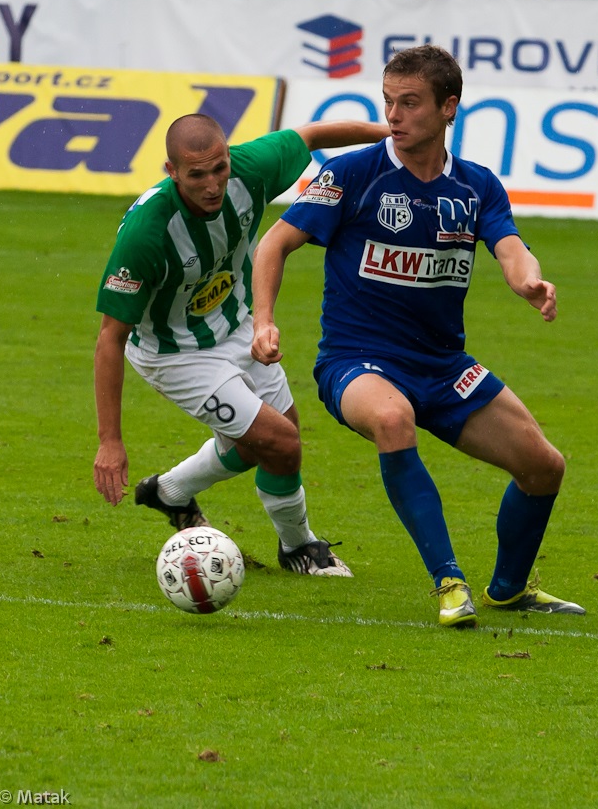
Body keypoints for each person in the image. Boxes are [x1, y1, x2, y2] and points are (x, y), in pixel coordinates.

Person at [251, 45, 585, 625]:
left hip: (443, 367)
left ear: (448, 107)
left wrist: (530, 282)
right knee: (392, 419)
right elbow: (273, 244)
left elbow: (510, 248)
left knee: (544, 467)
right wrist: (263, 320)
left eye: (409, 103)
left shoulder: (476, 186)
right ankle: (448, 580)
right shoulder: (352, 174)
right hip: (357, 362)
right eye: (388, 102)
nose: (394, 116)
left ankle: (508, 589)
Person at [94, 112, 387, 577]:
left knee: (268, 442)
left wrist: (397, 138)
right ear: (171, 172)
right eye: (196, 175)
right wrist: (110, 441)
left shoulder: (250, 169)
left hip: (235, 325)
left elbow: (313, 134)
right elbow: (110, 339)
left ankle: (168, 492)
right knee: (282, 442)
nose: (212, 184)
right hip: (175, 354)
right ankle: (299, 548)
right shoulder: (146, 234)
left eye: (219, 169)